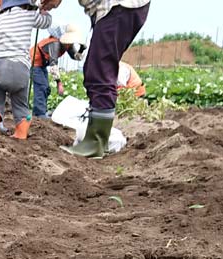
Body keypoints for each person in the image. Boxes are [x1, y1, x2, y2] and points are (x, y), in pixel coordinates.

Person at [41, 0, 150, 158]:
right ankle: (95, 140)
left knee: (100, 71)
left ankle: (96, 142)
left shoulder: (54, 45)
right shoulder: (54, 45)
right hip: (116, 8)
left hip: (119, 6)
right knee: (96, 69)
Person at [0, 0, 50, 141]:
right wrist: (43, 10)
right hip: (21, 69)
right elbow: (46, 22)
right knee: (21, 104)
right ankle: (21, 134)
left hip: (0, 67)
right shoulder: (29, 15)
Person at [30, 23, 85, 118]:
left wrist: (81, 49)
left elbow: (75, 57)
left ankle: (40, 111)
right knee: (41, 86)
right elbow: (53, 65)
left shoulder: (68, 45)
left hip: (42, 65)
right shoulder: (55, 44)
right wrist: (59, 83)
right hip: (33, 62)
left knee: (46, 88)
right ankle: (39, 114)